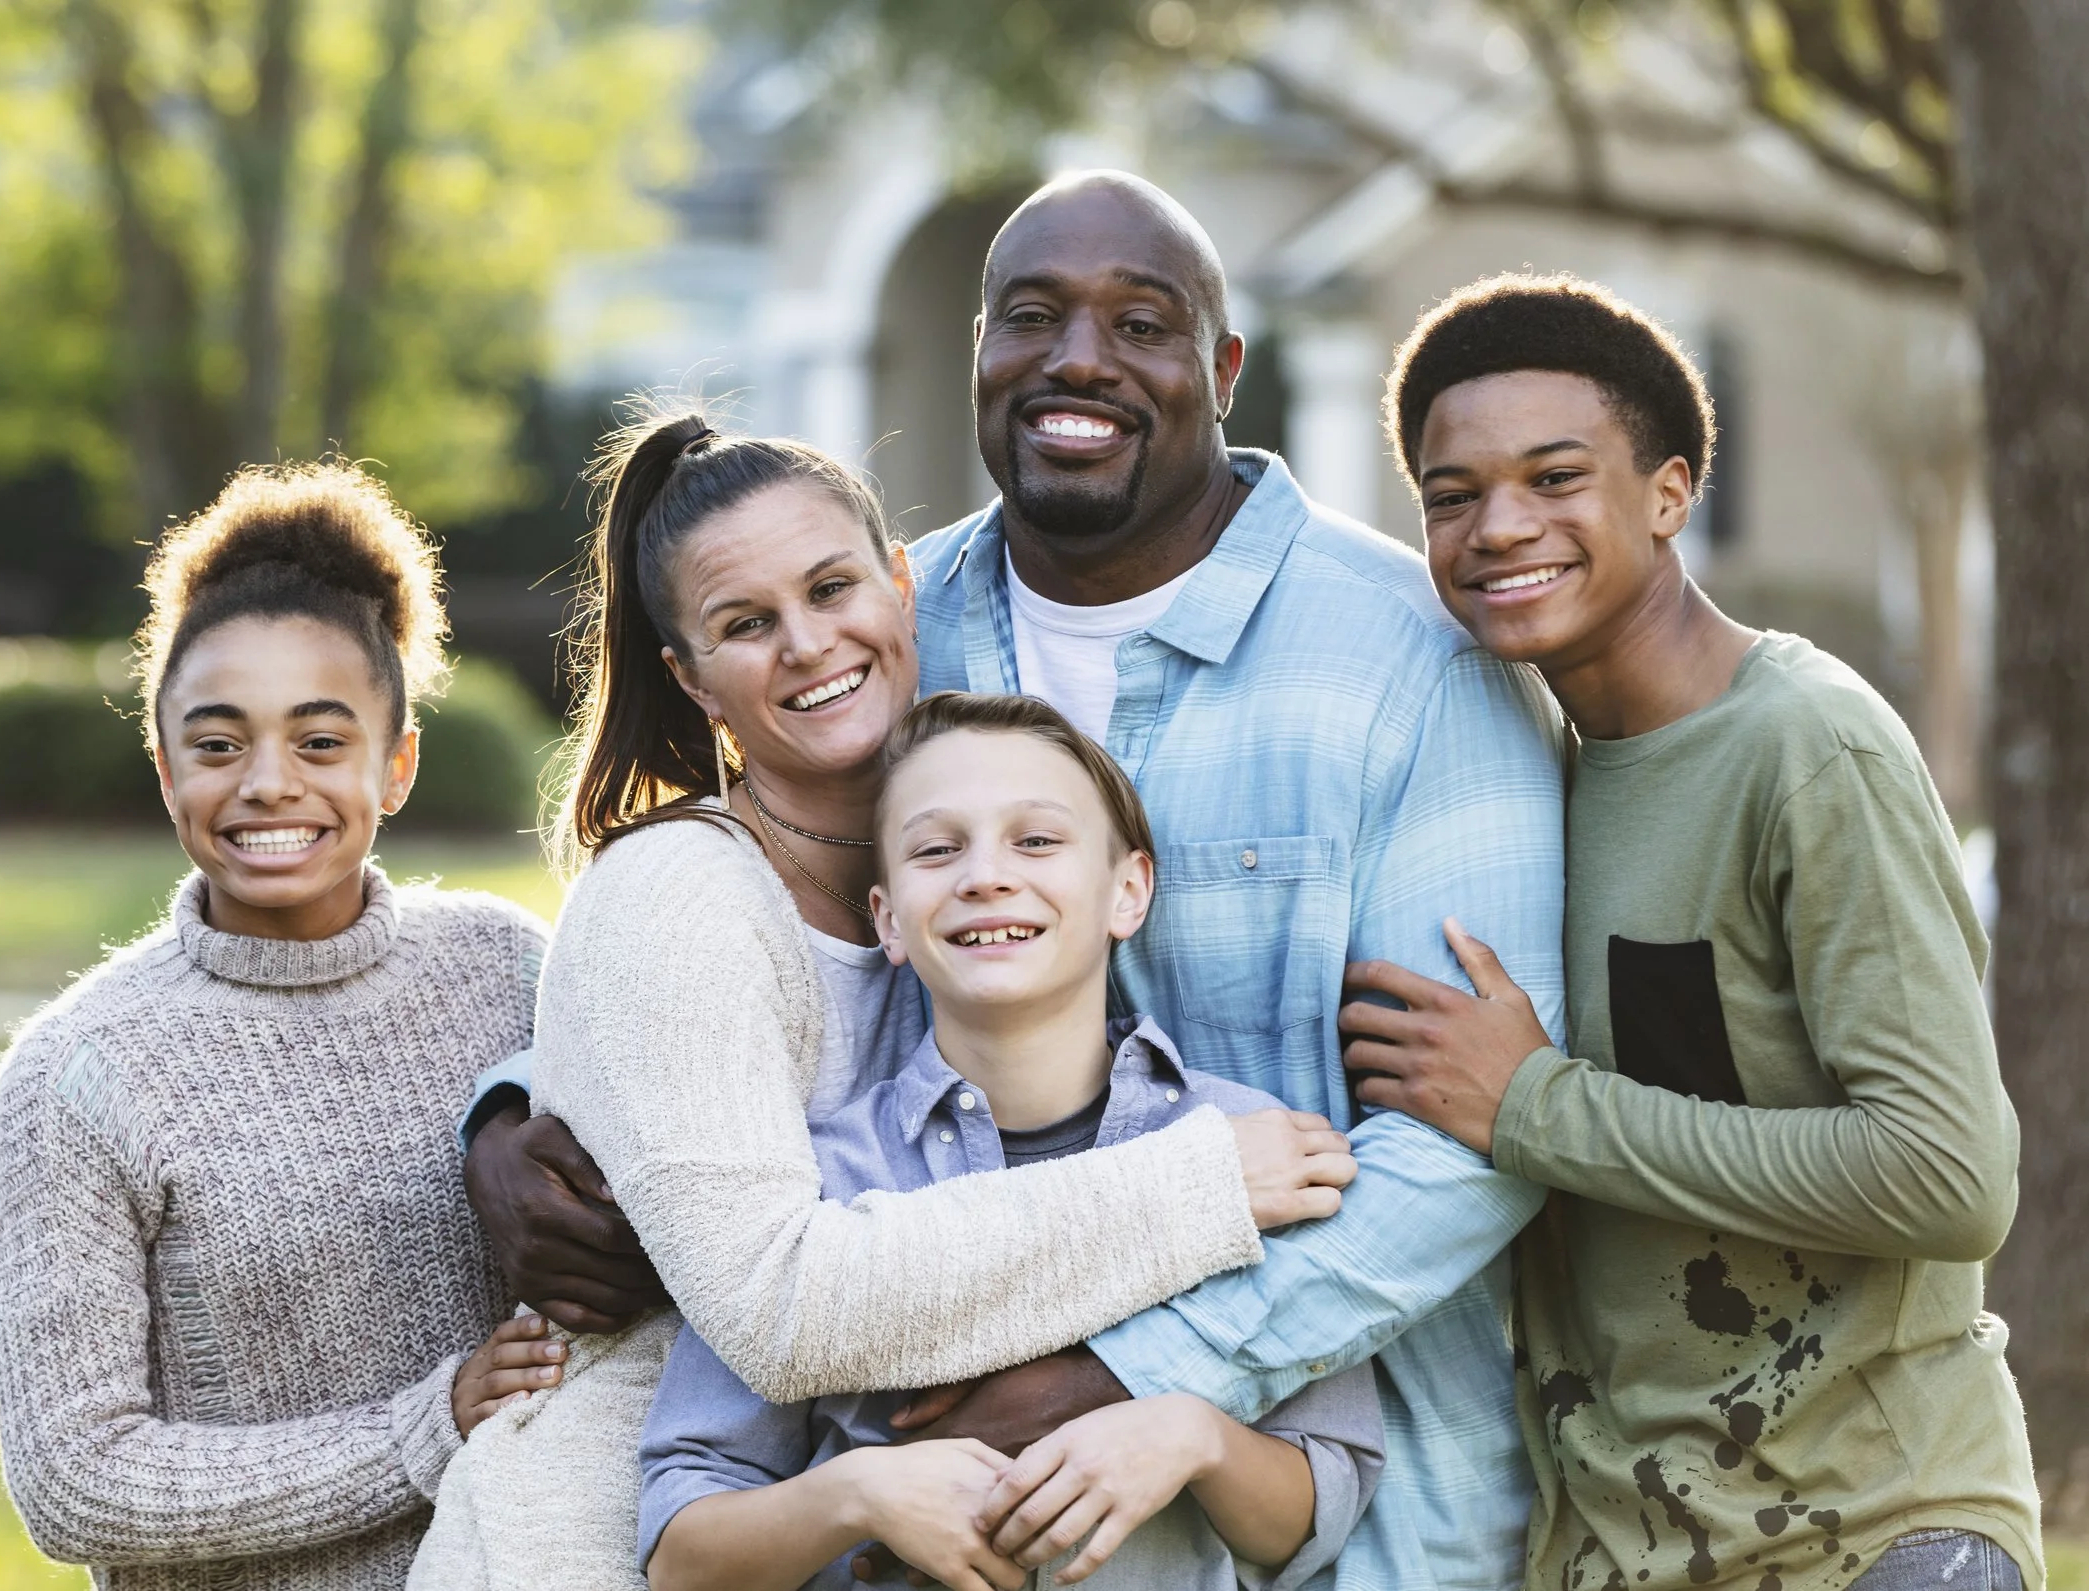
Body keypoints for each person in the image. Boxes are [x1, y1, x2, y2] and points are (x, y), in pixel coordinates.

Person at [409, 414, 1357, 1590]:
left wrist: (498, 1104)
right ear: (689, 677)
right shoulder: (678, 892)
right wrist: (1204, 1185)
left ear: (901, 585)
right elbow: (777, 1307)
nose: (808, 643)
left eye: (830, 587)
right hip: (597, 1539)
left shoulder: (954, 839)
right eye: (746, 624)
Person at [871, 172, 1569, 1590]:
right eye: (1032, 317)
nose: (1078, 359)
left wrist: (1128, 1369)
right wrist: (528, 1100)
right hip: (928, 1509)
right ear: (979, 352)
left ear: (1223, 371)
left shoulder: (1412, 659)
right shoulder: (885, 630)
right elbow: (740, 905)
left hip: (1355, 1536)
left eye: (1142, 322)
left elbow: (1466, 1146)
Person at [1340, 273, 2041, 1591]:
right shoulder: (1505, 771)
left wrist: (1537, 1104)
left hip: (1881, 1530)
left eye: (1556, 476)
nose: (1500, 526)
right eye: (1452, 494)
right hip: (1617, 1545)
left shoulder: (1808, 751)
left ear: (1670, 493)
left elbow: (1952, 1173)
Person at [641, 691, 1385, 1591]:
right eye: (935, 848)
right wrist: (855, 1492)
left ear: (1128, 890)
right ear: (887, 918)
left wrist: (1191, 1434)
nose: (985, 875)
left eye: (1036, 840)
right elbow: (682, 1554)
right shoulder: (822, 1185)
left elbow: (1322, 1502)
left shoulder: (1245, 1151)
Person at [0, 462, 555, 1591]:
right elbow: (74, 1478)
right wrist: (422, 1428)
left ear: (396, 764)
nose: (268, 784)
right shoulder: (81, 1077)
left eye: (321, 741)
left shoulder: (510, 971)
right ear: (165, 770)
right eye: (219, 742)